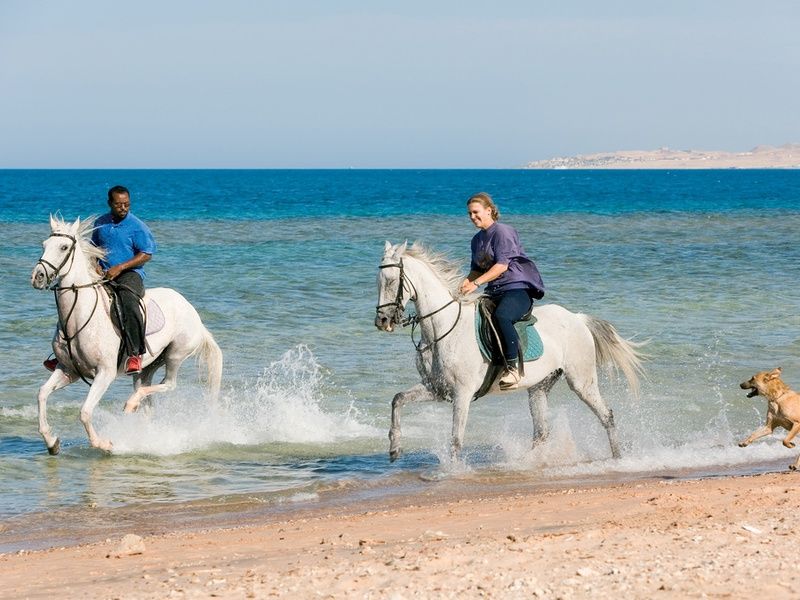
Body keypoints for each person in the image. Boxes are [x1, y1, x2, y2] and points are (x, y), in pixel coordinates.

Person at [459, 192, 544, 389]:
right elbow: (476, 270)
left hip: (517, 289)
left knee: (502, 316)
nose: (472, 217)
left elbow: (501, 266)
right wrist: (463, 284)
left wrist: (476, 283)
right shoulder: (476, 240)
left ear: (489, 210)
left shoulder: (503, 232)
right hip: (494, 290)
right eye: (469, 213)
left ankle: (513, 368)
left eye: (476, 212)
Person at [91, 185, 156, 374]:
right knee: (75, 298)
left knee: (128, 301)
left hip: (130, 273)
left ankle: (135, 354)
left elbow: (146, 254)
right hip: (103, 274)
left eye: (127, 204)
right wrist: (94, 263)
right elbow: (93, 247)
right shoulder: (100, 223)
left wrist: (120, 267)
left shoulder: (137, 226)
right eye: (119, 204)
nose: (123, 208)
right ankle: (65, 353)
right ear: (110, 203)